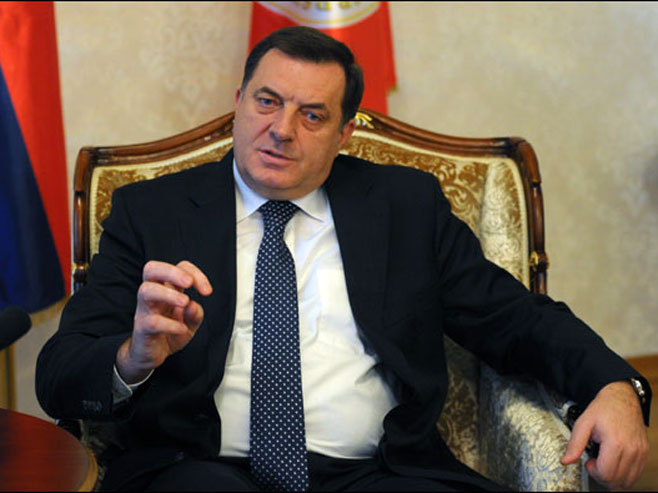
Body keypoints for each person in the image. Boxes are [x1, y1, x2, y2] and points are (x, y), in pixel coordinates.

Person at [36, 26, 650, 492]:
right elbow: (59, 374)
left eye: (312, 115)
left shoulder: (405, 208)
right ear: (239, 102)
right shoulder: (152, 211)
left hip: (377, 473)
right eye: (267, 102)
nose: (282, 129)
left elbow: (513, 318)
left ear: (345, 133)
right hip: (200, 468)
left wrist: (614, 384)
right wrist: (134, 356)